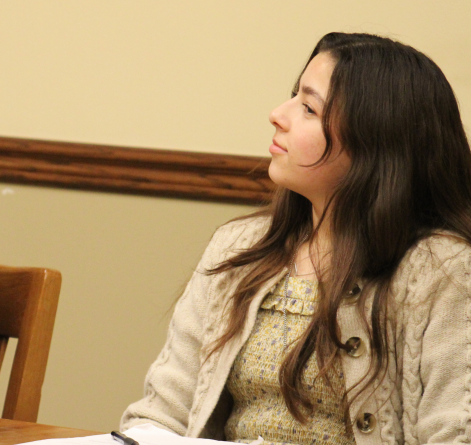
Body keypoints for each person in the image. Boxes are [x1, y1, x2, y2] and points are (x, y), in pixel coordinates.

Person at [121, 33, 471, 443]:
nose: (277, 114)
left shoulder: (444, 271)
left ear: (375, 142)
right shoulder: (238, 246)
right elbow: (163, 415)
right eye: (293, 97)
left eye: (308, 107)